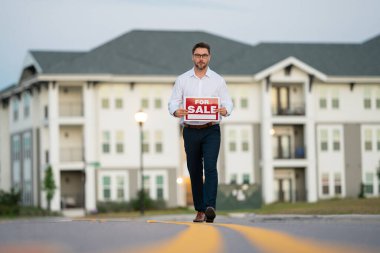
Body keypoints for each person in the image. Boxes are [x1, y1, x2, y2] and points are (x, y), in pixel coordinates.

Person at [168, 42, 233, 223]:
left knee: (210, 167)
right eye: (198, 55)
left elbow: (228, 103)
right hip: (190, 130)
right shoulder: (182, 80)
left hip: (211, 129)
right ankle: (200, 210)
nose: (201, 58)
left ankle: (210, 206)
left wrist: (225, 110)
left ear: (209, 57)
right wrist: (176, 111)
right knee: (194, 170)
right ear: (192, 57)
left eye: (204, 55)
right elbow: (173, 102)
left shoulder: (218, 80)